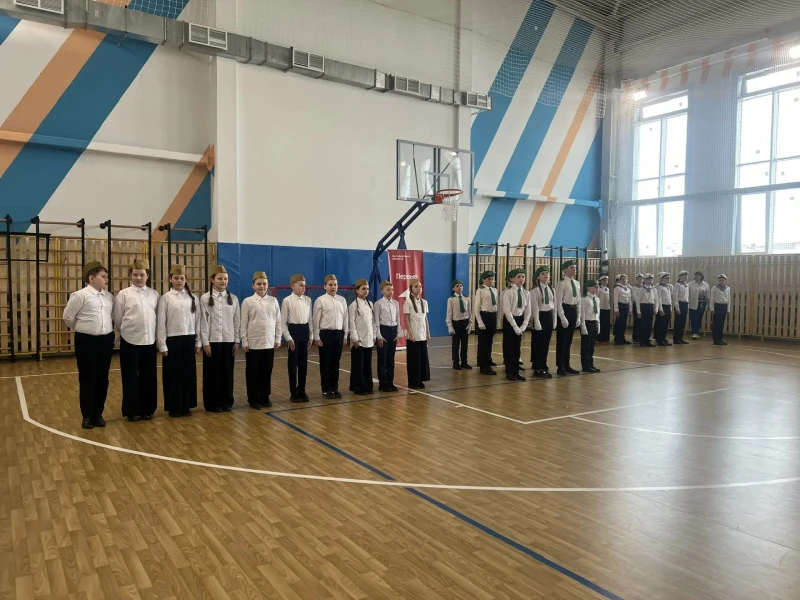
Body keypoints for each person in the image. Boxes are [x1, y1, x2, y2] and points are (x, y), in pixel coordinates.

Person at [63, 261, 115, 429]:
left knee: (102, 378)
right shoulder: (80, 295)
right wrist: (84, 328)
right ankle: (87, 415)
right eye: (103, 276)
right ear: (92, 278)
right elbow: (68, 317)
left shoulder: (109, 296)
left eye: (106, 276)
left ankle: (98, 413)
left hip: (105, 340)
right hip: (86, 341)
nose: (107, 279)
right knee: (87, 378)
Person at [113, 258, 159, 422]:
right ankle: (131, 410)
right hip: (130, 341)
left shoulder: (154, 294)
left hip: (149, 341)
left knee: (149, 377)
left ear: (147, 276)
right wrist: (127, 332)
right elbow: (118, 318)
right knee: (130, 377)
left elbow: (157, 316)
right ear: (130, 275)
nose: (138, 278)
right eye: (135, 275)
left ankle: (147, 409)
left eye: (142, 275)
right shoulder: (123, 294)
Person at [157, 264, 201, 418]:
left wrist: (198, 341)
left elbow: (198, 321)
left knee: (188, 373)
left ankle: (186, 405)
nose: (179, 281)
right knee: (173, 374)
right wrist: (162, 344)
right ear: (170, 279)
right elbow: (161, 322)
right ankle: (174, 406)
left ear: (185, 279)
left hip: (189, 339)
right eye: (176, 278)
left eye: (181, 278)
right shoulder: (165, 298)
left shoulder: (193, 298)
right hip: (172, 340)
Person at [199, 265, 241, 412]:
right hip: (212, 342)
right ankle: (213, 403)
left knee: (227, 372)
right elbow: (203, 322)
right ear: (212, 280)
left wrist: (236, 340)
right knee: (212, 374)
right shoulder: (205, 298)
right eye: (220, 278)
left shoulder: (233, 299)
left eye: (225, 278)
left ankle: (226, 401)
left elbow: (237, 321)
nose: (223, 281)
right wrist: (205, 342)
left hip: (228, 341)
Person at [241, 271, 282, 409]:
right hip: (253, 343)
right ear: (253, 285)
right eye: (259, 284)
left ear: (268, 285)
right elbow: (243, 323)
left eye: (264, 284)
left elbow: (278, 320)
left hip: (269, 342)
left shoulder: (273, 301)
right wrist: (244, 341)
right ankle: (253, 399)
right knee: (253, 372)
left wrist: (278, 338)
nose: (262, 286)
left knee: (266, 371)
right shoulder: (248, 301)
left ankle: (265, 397)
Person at [313, 274, 349, 399]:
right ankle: (326, 389)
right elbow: (316, 319)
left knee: (335, 362)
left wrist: (345, 334)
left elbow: (345, 318)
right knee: (325, 362)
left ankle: (334, 388)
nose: (333, 287)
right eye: (330, 285)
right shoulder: (320, 300)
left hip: (338, 334)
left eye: (335, 285)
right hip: (325, 334)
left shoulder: (342, 300)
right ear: (325, 286)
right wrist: (316, 336)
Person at [281, 274, 313, 403]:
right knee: (293, 364)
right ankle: (293, 392)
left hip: (304, 330)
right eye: (300, 285)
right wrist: (288, 337)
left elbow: (310, 319)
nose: (303, 287)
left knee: (303, 363)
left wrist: (311, 335)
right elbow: (283, 322)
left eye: (304, 285)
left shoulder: (308, 300)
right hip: (293, 331)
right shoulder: (287, 301)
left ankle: (302, 390)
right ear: (293, 286)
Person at [501, 268, 530, 382]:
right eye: (518, 277)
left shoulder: (526, 293)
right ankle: (510, 372)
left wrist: (524, 325)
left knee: (517, 348)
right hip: (510, 321)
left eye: (523, 276)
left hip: (520, 319)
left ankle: (516, 371)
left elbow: (528, 310)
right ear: (512, 279)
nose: (521, 279)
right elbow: (506, 310)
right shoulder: (508, 292)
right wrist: (514, 326)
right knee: (509, 347)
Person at [349, 279, 375, 395]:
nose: (366, 291)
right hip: (359, 340)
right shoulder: (353, 305)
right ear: (357, 290)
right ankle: (358, 387)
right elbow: (352, 322)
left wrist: (374, 335)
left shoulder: (370, 304)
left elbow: (372, 321)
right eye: (363, 289)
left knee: (367, 364)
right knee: (358, 365)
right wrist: (354, 338)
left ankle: (367, 386)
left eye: (367, 289)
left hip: (368, 339)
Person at [555, 260, 582, 376]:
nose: (574, 269)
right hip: (565, 309)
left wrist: (578, 316)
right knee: (562, 340)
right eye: (571, 268)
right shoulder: (561, 284)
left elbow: (579, 300)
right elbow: (558, 302)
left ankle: (567, 365)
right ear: (565, 270)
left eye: (575, 267)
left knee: (569, 340)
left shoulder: (577, 283)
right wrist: (562, 317)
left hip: (573, 309)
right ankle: (560, 366)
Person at [404, 278, 431, 389]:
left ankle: (420, 380)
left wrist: (428, 332)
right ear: (411, 288)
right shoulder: (408, 302)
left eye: (420, 286)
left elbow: (425, 319)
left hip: (422, 334)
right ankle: (413, 381)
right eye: (416, 286)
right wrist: (411, 333)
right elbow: (406, 319)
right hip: (413, 335)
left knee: (422, 358)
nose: (419, 288)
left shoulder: (424, 302)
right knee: (414, 359)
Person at [374, 280, 400, 392]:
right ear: (382, 291)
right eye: (388, 289)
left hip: (393, 330)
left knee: (391, 359)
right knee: (382, 358)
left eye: (392, 289)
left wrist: (398, 333)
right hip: (383, 330)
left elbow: (398, 319)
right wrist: (379, 335)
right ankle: (383, 383)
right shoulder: (378, 304)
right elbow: (376, 321)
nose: (391, 291)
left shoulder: (396, 303)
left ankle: (390, 382)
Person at [530, 266, 556, 379]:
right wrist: (536, 320)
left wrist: (554, 319)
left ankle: (543, 364)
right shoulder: (535, 290)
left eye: (547, 273)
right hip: (540, 316)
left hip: (548, 316)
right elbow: (535, 307)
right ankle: (537, 367)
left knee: (546, 342)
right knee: (538, 343)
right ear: (538, 277)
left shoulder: (551, 289)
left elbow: (553, 305)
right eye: (543, 273)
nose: (546, 275)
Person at [473, 270, 499, 376]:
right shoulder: (480, 290)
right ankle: (484, 366)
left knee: (490, 341)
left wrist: (497, 320)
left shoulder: (494, 290)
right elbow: (476, 307)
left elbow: (496, 305)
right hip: (485, 316)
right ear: (483, 280)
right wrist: (480, 321)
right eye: (489, 279)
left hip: (492, 316)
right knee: (484, 342)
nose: (491, 281)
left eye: (492, 279)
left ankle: (487, 359)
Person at [446, 279, 472, 370]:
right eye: (457, 286)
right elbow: (449, 314)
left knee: (465, 344)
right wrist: (450, 326)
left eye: (461, 286)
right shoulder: (451, 299)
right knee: (456, 345)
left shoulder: (466, 298)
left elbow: (469, 311)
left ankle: (464, 362)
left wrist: (470, 323)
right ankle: (456, 363)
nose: (459, 287)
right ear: (453, 288)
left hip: (465, 322)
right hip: (456, 323)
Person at [580, 279, 601, 373]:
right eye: (595, 287)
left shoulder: (597, 299)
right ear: (588, 288)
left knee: (592, 346)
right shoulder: (584, 299)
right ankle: (585, 366)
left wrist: (598, 324)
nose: (597, 288)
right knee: (586, 346)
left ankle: (591, 364)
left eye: (598, 287)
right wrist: (583, 326)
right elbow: (582, 314)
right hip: (587, 323)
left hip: (594, 322)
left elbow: (598, 313)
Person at [636, 273, 657, 347]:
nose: (649, 280)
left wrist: (656, 309)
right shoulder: (641, 289)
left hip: (650, 307)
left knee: (649, 325)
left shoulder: (654, 289)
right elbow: (638, 301)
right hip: (643, 307)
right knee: (643, 325)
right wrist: (638, 311)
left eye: (651, 279)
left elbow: (656, 300)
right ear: (644, 280)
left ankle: (647, 341)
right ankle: (642, 341)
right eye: (648, 279)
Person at [688, 271, 710, 339]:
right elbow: (687, 294)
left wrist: (709, 304)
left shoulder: (705, 284)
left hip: (702, 304)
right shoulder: (690, 284)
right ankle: (694, 333)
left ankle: (696, 332)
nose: (696, 276)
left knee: (699, 318)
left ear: (701, 276)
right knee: (693, 318)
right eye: (695, 275)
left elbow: (708, 295)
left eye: (698, 275)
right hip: (692, 303)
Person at [710, 274, 731, 345]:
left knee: (721, 324)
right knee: (716, 324)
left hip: (724, 306)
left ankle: (720, 339)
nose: (721, 281)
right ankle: (716, 340)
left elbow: (729, 299)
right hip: (717, 306)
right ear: (718, 281)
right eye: (720, 280)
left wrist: (728, 309)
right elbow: (712, 298)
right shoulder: (715, 288)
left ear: (725, 280)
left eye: (723, 280)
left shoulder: (727, 288)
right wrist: (712, 308)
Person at [653, 272, 673, 346]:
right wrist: (660, 309)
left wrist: (670, 308)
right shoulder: (659, 287)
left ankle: (663, 338)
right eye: (666, 278)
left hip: (667, 306)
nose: (668, 279)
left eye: (669, 278)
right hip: (662, 307)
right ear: (662, 279)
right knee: (661, 324)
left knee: (665, 324)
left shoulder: (668, 286)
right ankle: (659, 339)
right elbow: (659, 299)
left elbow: (669, 299)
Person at [613, 274, 632, 345]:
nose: (624, 280)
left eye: (625, 279)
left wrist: (630, 310)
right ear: (620, 280)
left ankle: (622, 338)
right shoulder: (617, 288)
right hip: (620, 306)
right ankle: (618, 339)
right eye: (622, 279)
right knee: (619, 323)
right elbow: (615, 299)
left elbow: (629, 300)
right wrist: (616, 310)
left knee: (623, 324)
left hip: (626, 306)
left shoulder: (628, 289)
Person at [672, 270, 690, 344]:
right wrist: (677, 307)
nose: (686, 277)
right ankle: (676, 339)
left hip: (685, 304)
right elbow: (675, 297)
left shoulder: (686, 285)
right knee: (678, 323)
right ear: (680, 277)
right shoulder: (677, 285)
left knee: (683, 322)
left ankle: (680, 338)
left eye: (687, 275)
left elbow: (687, 297)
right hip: (680, 304)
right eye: (684, 275)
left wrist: (687, 306)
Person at [596, 275, 611, 343]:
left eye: (606, 280)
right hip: (601, 308)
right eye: (604, 280)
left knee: (606, 324)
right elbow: (596, 298)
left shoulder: (607, 289)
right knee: (601, 323)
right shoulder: (599, 289)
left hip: (607, 308)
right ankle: (600, 338)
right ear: (600, 281)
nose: (605, 281)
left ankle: (606, 337)